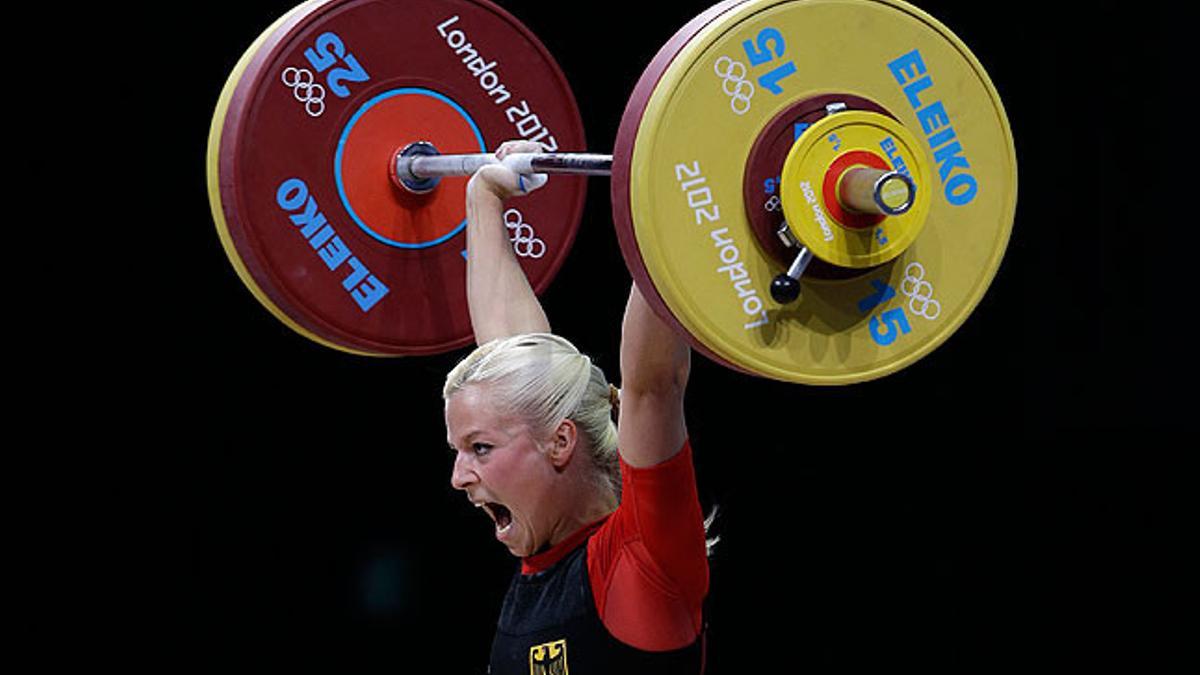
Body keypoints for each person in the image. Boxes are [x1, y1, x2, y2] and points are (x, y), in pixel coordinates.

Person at [443, 141, 710, 675]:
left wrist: (673, 199)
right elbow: (514, 370)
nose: (457, 477)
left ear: (561, 441)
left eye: (480, 448)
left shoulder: (640, 561)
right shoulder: (546, 559)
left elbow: (652, 385)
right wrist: (484, 195)